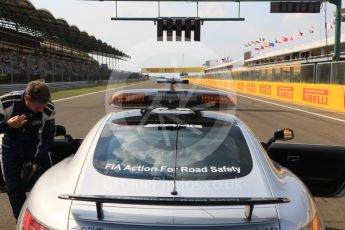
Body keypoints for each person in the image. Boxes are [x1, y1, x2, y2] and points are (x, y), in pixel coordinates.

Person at [0, 80, 55, 219]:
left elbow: (48, 137)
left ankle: (45, 220)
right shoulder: (6, 102)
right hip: (11, 148)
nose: (42, 110)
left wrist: (36, 159)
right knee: (14, 190)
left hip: (35, 147)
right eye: (37, 107)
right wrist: (7, 124)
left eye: (44, 105)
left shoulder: (48, 107)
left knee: (47, 185)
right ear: (26, 98)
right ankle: (22, 221)